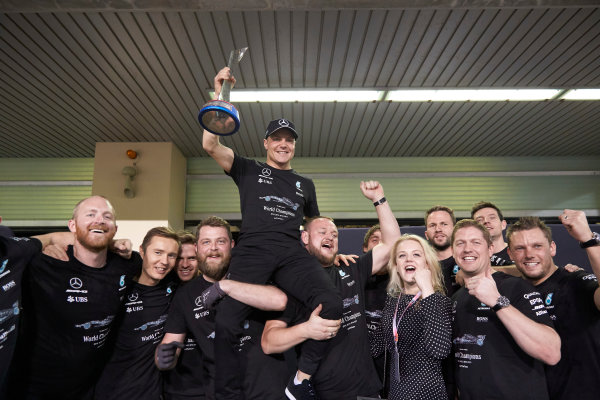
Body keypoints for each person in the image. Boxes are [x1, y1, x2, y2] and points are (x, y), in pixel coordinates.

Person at [202, 67, 342, 399]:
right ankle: (225, 393)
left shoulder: (304, 184)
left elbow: (315, 226)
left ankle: (301, 379)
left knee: (332, 302)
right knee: (225, 323)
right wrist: (221, 92)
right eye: (277, 139)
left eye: (289, 140)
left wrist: (333, 251)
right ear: (266, 142)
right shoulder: (248, 168)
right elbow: (210, 144)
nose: (283, 144)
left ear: (294, 146)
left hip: (292, 252)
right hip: (254, 250)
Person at [262, 181, 401, 399]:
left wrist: (378, 199)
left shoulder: (351, 267)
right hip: (322, 393)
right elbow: (269, 343)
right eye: (322, 232)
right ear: (305, 238)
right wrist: (306, 329)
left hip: (367, 390)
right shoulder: (292, 283)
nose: (330, 237)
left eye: (334, 234)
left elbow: (393, 244)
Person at [11, 195, 142, 399]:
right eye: (90, 214)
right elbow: (11, 252)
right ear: (72, 225)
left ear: (115, 229)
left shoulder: (128, 264)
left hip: (89, 388)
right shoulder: (43, 263)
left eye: (107, 217)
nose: (99, 220)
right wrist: (51, 239)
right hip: (33, 388)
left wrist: (112, 243)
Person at [156, 216, 290, 400]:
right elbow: (171, 344)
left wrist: (226, 286)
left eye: (221, 241)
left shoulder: (253, 275)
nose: (213, 248)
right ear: (197, 248)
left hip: (266, 389)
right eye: (206, 242)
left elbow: (279, 300)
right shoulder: (185, 295)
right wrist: (164, 358)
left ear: (232, 245)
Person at [451, 219, 561, 400]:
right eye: (460, 243)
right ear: (453, 252)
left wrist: (496, 301)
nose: (467, 249)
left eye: (476, 242)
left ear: (490, 249)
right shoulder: (456, 298)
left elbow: (551, 352)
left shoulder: (518, 288)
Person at [507, 211, 600, 400]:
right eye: (520, 248)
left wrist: (588, 240)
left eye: (537, 246)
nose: (529, 254)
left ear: (552, 248)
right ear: (510, 253)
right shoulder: (511, 293)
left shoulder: (576, 281)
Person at [95, 227, 180, 400]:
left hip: (152, 392)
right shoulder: (120, 289)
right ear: (141, 251)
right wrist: (111, 244)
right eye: (158, 252)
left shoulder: (173, 286)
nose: (164, 261)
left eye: (171, 255)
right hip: (113, 391)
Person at [371, 234, 452, 400]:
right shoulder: (393, 300)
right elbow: (375, 347)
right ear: (396, 266)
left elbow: (440, 350)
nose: (409, 259)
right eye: (402, 255)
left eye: (416, 254)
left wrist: (427, 289)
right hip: (397, 393)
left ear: (427, 263)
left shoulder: (439, 301)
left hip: (427, 392)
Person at [162, 231, 207, 400]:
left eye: (192, 258)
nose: (185, 264)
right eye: (179, 258)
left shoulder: (212, 291)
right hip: (172, 386)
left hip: (204, 385)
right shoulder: (163, 290)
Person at [424, 205, 459, 296]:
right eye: (432, 225)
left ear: (455, 230)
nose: (438, 229)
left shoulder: (467, 261)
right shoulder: (420, 264)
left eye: (444, 224)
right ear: (426, 234)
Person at [471, 201, 513, 266]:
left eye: (492, 217)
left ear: (503, 224)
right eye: (479, 220)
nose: (486, 221)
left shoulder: (517, 252)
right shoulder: (470, 257)